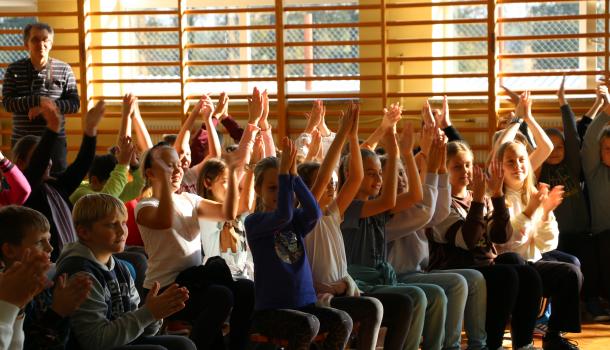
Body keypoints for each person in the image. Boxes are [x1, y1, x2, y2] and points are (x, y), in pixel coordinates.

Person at [136, 140, 253, 350]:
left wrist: (234, 172)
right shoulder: (145, 206)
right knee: (220, 296)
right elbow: (165, 221)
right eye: (167, 165)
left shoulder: (189, 199)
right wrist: (164, 180)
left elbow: (228, 213)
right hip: (164, 288)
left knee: (246, 289)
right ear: (151, 173)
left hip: (195, 281)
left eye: (178, 164)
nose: (177, 169)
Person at [430, 140, 543, 350]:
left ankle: (524, 343)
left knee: (528, 272)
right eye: (457, 166)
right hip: (458, 269)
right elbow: (468, 241)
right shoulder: (442, 203)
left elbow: (501, 236)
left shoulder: (478, 196)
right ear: (444, 170)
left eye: (468, 165)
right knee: (506, 275)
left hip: (483, 266)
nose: (465, 170)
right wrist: (480, 200)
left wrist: (498, 195)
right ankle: (493, 344)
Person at [246, 137, 353, 350]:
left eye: (281, 186)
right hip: (271, 312)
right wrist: (285, 174)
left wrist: (294, 177)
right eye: (272, 188)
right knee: (308, 324)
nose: (279, 193)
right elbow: (282, 216)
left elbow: (314, 211)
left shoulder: (296, 219)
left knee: (343, 320)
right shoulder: (255, 222)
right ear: (258, 190)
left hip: (305, 305)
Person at [55, 194, 195, 350]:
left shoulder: (120, 268)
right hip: (96, 345)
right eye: (111, 225)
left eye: (123, 223)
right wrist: (147, 313)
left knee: (184, 345)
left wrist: (155, 314)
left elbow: (143, 332)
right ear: (84, 232)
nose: (122, 231)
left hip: (116, 340)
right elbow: (94, 341)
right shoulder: (80, 273)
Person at [13, 99, 105, 261]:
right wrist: (52, 129)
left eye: (50, 158)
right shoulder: (25, 191)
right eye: (43, 157)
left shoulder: (56, 186)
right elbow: (37, 166)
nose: (48, 162)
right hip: (51, 263)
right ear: (21, 163)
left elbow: (82, 164)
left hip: (76, 257)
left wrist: (90, 131)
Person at [0, 205, 92, 350]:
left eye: (48, 240)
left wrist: (64, 311)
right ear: (9, 250)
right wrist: (58, 312)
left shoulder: (40, 285)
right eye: (39, 242)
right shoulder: (8, 294)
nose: (50, 248)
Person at [2, 22, 80, 174]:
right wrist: (37, 100)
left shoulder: (64, 69)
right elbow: (7, 103)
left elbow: (74, 104)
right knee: (23, 190)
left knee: (57, 187)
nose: (41, 44)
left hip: (54, 141)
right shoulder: (13, 69)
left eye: (45, 40)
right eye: (35, 40)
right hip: (22, 142)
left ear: (51, 43)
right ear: (26, 44)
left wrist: (46, 106)